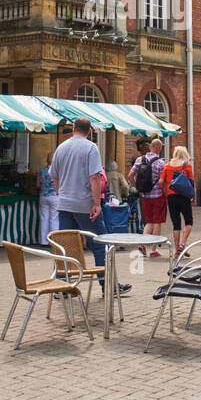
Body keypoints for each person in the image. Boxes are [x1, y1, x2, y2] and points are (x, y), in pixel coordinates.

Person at [53, 117, 128, 295]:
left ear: (73, 128)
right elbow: (94, 177)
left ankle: (62, 286)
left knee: (66, 246)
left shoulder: (61, 147)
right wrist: (96, 203)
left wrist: (62, 193)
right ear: (89, 131)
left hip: (64, 204)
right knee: (101, 244)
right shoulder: (91, 148)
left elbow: (54, 176)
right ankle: (108, 287)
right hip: (84, 205)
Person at [129, 137, 166, 258]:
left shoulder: (140, 159)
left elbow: (130, 175)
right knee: (157, 222)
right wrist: (165, 193)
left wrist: (138, 188)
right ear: (159, 149)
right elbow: (162, 182)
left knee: (148, 221)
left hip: (145, 195)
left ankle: (143, 245)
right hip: (158, 196)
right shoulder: (161, 163)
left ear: (151, 147)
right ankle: (154, 250)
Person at [160, 146, 195, 257]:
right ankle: (182, 244)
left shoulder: (167, 166)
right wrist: (194, 197)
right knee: (189, 221)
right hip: (184, 197)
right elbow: (192, 183)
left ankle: (177, 251)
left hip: (171, 197)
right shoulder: (187, 165)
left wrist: (165, 192)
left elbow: (161, 181)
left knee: (176, 224)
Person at [37, 156, 58, 246]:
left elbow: (37, 185)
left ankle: (43, 241)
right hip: (54, 196)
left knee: (44, 218)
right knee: (54, 218)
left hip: (43, 196)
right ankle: (53, 241)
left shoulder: (41, 170)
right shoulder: (57, 171)